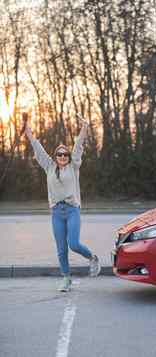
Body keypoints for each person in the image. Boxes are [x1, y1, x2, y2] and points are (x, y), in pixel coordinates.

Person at [25, 115, 101, 292]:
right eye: (59, 154)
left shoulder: (73, 166)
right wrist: (29, 133)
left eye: (65, 154)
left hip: (72, 210)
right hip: (57, 213)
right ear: (55, 156)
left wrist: (85, 128)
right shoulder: (49, 166)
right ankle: (66, 279)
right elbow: (38, 148)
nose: (62, 156)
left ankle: (92, 258)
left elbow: (78, 145)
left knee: (73, 244)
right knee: (61, 250)